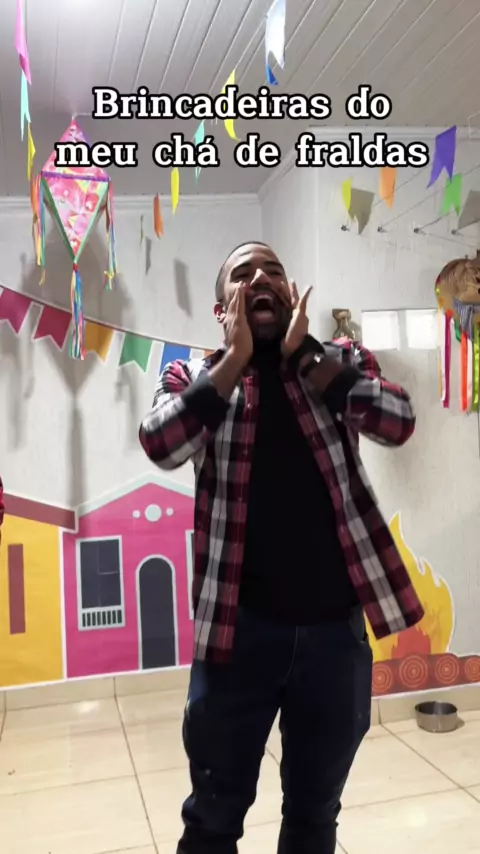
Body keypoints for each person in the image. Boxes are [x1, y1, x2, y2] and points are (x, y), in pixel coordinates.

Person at [139, 242, 423, 854]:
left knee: (315, 816)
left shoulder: (339, 360)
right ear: (223, 309)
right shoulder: (192, 376)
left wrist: (308, 357)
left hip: (335, 638)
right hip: (237, 635)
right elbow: (161, 443)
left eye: (272, 270)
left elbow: (398, 421)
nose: (261, 279)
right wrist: (235, 361)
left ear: (291, 294)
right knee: (213, 817)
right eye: (243, 274)